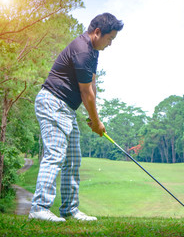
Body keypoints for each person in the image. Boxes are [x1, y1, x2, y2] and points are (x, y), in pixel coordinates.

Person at [28, 13, 124, 222]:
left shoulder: (93, 51)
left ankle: (69, 209)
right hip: (52, 103)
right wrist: (97, 123)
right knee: (55, 154)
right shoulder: (82, 50)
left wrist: (94, 118)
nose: (110, 44)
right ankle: (39, 208)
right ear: (97, 32)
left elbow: (92, 85)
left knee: (72, 159)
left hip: (66, 109)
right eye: (110, 39)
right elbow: (85, 93)